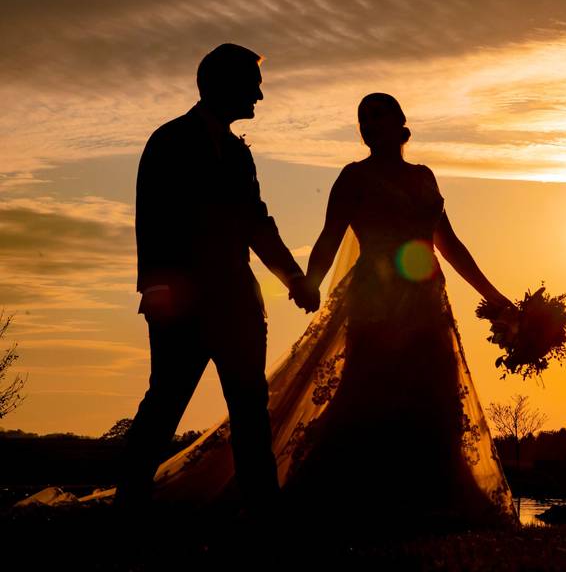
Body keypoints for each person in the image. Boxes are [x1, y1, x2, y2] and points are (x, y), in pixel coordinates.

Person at [135, 92, 517, 530]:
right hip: (376, 303)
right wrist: (308, 284)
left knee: (432, 397)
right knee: (369, 394)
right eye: (363, 119)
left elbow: (450, 245)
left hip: (428, 304)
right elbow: (329, 236)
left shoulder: (425, 177)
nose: (369, 124)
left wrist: (495, 296)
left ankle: (431, 500)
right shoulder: (354, 178)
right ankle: (348, 496)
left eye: (378, 115)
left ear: (400, 122)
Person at [115, 43, 319, 516]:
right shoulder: (168, 141)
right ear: (225, 86)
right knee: (164, 403)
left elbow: (257, 223)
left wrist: (293, 278)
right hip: (180, 305)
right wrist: (157, 289)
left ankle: (263, 511)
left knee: (250, 409)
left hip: (238, 305)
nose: (260, 98)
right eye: (254, 86)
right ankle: (129, 506)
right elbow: (152, 219)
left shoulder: (237, 154)